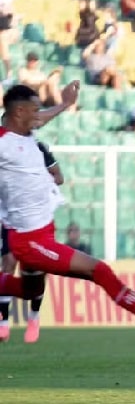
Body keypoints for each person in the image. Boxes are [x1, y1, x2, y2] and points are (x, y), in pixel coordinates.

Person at [0, 83, 135, 342]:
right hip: (30, 241)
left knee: (29, 290)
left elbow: (42, 120)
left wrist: (65, 104)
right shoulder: (3, 143)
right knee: (99, 271)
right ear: (19, 111)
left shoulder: (24, 130)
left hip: (44, 230)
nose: (39, 116)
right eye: (35, 111)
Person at [0, 138, 63, 343]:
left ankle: (34, 317)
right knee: (8, 263)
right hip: (11, 219)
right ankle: (3, 322)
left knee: (36, 269)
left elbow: (59, 177)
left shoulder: (37, 148)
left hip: (37, 219)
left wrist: (36, 183)